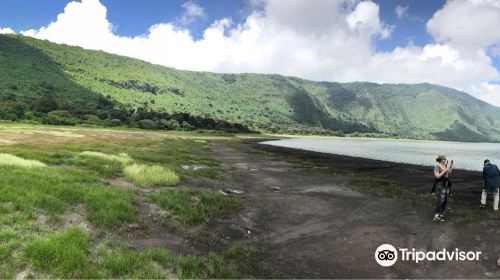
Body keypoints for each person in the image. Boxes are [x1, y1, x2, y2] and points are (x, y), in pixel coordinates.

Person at [433, 154, 452, 222]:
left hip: (445, 185)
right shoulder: (437, 166)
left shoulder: (444, 165)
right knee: (440, 200)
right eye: (444, 159)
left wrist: (450, 167)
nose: (445, 160)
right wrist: (445, 170)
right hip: (439, 185)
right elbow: (437, 176)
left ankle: (441, 213)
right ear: (441, 160)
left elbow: (448, 172)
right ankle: (436, 215)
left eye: (445, 159)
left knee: (445, 200)